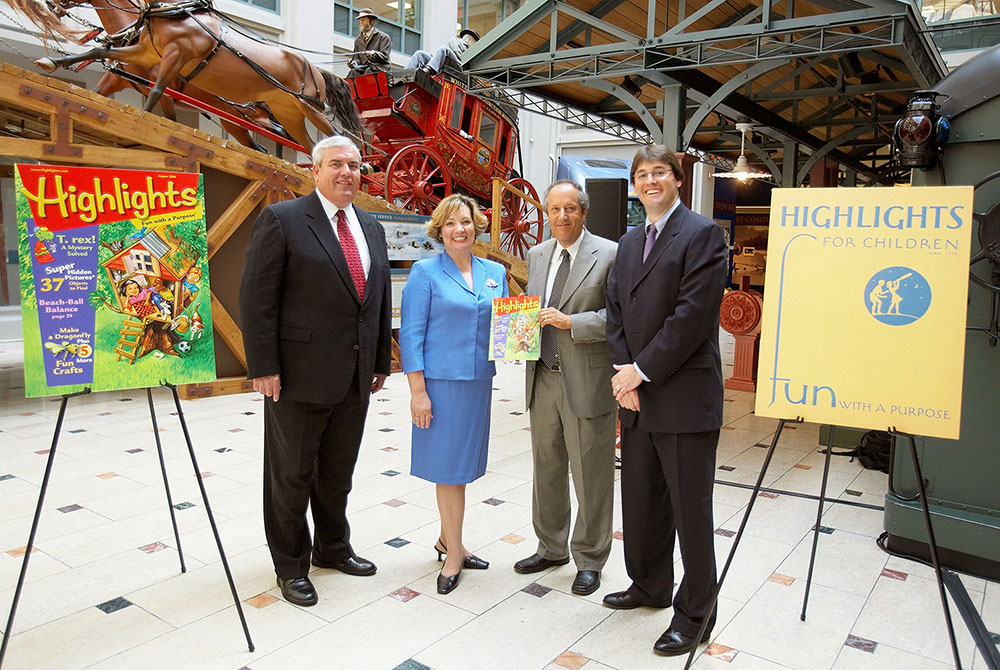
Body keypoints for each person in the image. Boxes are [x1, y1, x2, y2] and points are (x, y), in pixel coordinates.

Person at [238, 135, 392, 607]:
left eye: (355, 165)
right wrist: (264, 366)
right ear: (315, 170)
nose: (347, 172)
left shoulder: (371, 226)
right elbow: (256, 298)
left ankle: (332, 547)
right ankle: (290, 565)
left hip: (355, 376)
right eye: (337, 164)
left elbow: (378, 300)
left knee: (337, 472)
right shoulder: (283, 220)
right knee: (291, 475)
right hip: (298, 376)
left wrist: (380, 360)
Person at [604, 145, 728, 657]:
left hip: (683, 395)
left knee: (689, 509)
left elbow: (692, 316)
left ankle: (696, 612)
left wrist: (642, 370)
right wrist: (624, 375)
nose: (650, 181)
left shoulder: (702, 235)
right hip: (636, 396)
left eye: (659, 173)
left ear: (678, 180)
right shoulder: (630, 241)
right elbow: (615, 309)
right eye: (641, 175)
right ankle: (650, 584)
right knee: (641, 499)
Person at [399, 194, 508, 595]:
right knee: (448, 471)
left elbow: (507, 321)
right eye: (450, 224)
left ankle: (449, 539)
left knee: (463, 469)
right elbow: (411, 335)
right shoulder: (424, 273)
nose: (459, 230)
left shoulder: (493, 271)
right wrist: (418, 393)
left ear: (476, 225)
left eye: (465, 221)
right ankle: (454, 556)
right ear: (439, 230)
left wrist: (516, 340)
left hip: (478, 382)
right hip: (440, 387)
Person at [514, 180, 618, 597]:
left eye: (570, 209)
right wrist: (514, 333)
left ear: (583, 212)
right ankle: (551, 546)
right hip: (541, 376)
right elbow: (532, 309)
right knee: (548, 468)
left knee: (591, 473)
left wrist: (572, 322)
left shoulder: (610, 253)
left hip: (587, 380)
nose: (562, 217)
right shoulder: (537, 254)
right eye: (555, 209)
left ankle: (590, 558)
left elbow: (622, 318)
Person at [405, 28, 480, 75]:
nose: (474, 46)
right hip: (448, 61)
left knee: (443, 49)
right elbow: (455, 51)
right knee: (420, 54)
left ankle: (429, 69)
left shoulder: (469, 52)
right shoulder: (456, 41)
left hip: (458, 67)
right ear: (468, 39)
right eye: (474, 43)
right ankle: (405, 73)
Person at [348, 8, 392, 77]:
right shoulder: (358, 40)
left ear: (372, 21)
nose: (361, 22)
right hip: (364, 68)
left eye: (364, 20)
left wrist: (373, 54)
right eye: (360, 20)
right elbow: (357, 58)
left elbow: (385, 56)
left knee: (369, 71)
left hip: (380, 68)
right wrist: (354, 63)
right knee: (353, 72)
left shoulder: (383, 37)